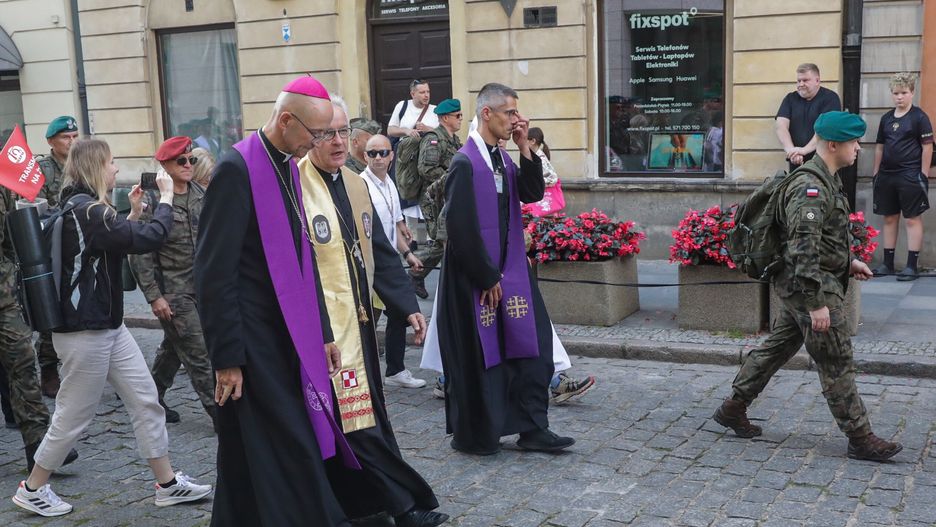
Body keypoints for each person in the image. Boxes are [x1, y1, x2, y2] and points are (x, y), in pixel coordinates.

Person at [13, 138, 211, 517]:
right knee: (73, 414)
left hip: (107, 325)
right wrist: (165, 199)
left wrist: (134, 213)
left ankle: (167, 484)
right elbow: (152, 238)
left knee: (145, 401)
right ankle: (33, 487)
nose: (116, 169)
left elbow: (113, 243)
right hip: (85, 329)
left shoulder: (84, 208)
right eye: (111, 163)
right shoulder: (90, 211)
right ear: (94, 167)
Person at [195, 76, 355, 526]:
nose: (321, 143)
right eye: (317, 133)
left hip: (291, 336)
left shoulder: (286, 164)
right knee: (285, 443)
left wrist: (322, 333)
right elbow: (213, 273)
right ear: (286, 121)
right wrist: (227, 358)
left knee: (258, 453)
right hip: (253, 342)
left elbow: (306, 261)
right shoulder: (236, 170)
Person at [713, 111, 903, 462]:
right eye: (854, 142)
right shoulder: (809, 187)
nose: (859, 148)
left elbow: (820, 241)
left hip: (807, 284)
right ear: (833, 145)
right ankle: (860, 437)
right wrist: (817, 304)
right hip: (810, 289)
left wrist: (848, 262)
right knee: (836, 359)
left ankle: (732, 407)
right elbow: (802, 249)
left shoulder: (825, 179)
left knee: (778, 348)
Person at [297, 94, 446, 527]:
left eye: (344, 132)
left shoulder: (355, 182)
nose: (339, 142)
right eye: (327, 133)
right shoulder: (295, 185)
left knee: (364, 419)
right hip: (321, 331)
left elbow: (377, 250)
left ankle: (373, 506)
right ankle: (400, 507)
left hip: (358, 324)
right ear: (309, 137)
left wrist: (405, 306)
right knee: (352, 423)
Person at [435, 82, 574, 455]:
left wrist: (524, 145)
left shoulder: (502, 157)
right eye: (510, 112)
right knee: (483, 356)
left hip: (510, 272)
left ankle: (532, 427)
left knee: (534, 348)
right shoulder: (465, 163)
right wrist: (486, 276)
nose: (517, 118)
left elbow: (531, 194)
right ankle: (478, 432)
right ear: (487, 113)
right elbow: (460, 229)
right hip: (476, 278)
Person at [128, 136, 216, 427]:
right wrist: (154, 296)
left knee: (174, 347)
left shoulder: (201, 194)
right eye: (181, 161)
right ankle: (222, 416)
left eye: (191, 159)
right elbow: (139, 255)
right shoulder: (153, 202)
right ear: (164, 165)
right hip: (174, 293)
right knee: (200, 353)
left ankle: (150, 397)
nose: (189, 165)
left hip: (203, 287)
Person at [0, 189, 79, 472]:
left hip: (4, 297)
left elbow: (12, 234)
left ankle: (39, 445)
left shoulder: (2, 182)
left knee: (22, 361)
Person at [359, 134, 426, 389]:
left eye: (383, 152)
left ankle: (395, 370)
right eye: (372, 153)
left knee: (398, 312)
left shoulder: (389, 183)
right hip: (369, 264)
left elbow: (394, 227)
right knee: (367, 318)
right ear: (365, 156)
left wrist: (408, 254)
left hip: (388, 261)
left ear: (391, 155)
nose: (378, 157)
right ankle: (364, 371)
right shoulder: (360, 185)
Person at [871, 72, 934, 281]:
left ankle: (911, 266)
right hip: (887, 175)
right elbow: (880, 146)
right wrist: (876, 172)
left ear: (912, 93)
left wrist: (923, 174)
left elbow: (927, 148)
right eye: (896, 93)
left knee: (912, 220)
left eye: (904, 93)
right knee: (889, 218)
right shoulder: (886, 118)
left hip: (910, 175)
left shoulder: (919, 117)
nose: (899, 97)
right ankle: (887, 264)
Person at [34, 115, 80, 397]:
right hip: (51, 247)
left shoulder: (82, 164)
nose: (72, 142)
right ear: (52, 141)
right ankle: (49, 367)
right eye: (66, 137)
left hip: (78, 245)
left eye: (75, 137)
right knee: (50, 308)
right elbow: (35, 206)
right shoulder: (42, 170)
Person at [409, 98, 463, 299]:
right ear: (445, 118)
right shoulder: (434, 138)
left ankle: (416, 273)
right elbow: (427, 169)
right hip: (433, 199)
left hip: (447, 197)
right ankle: (415, 272)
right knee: (442, 241)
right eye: (457, 116)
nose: (460, 119)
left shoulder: (453, 140)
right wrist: (450, 179)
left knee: (445, 240)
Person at [388, 80, 440, 242]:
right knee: (408, 197)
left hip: (428, 160)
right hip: (406, 161)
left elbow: (444, 133)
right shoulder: (402, 106)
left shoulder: (435, 110)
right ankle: (414, 240)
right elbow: (390, 130)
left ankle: (430, 239)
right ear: (413, 94)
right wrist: (406, 130)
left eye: (428, 92)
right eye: (422, 92)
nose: (426, 95)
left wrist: (428, 129)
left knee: (427, 196)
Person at [776, 63, 842, 170]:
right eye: (798, 81)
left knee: (816, 188)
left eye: (805, 80)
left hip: (822, 164)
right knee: (797, 187)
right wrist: (791, 151)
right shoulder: (790, 99)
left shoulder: (830, 98)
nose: (801, 84)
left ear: (817, 80)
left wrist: (804, 150)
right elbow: (781, 126)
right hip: (796, 163)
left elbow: (825, 129)